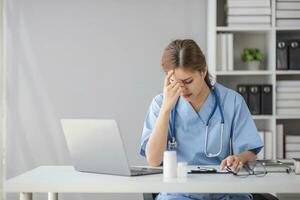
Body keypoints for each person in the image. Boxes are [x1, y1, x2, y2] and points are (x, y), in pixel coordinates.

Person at [139, 39, 263, 200]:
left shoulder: (232, 101)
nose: (182, 89)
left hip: (226, 191)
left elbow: (250, 152)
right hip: (180, 194)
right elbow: (154, 160)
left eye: (188, 81)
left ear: (203, 71)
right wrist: (166, 109)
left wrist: (239, 158)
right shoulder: (160, 104)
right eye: (175, 83)